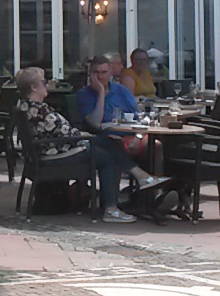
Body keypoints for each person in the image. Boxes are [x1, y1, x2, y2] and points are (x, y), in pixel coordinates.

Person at [20, 64, 158, 222]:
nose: (47, 84)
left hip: (54, 149)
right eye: (44, 82)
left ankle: (137, 180)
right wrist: (84, 135)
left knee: (109, 142)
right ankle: (112, 207)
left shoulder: (26, 106)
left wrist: (83, 135)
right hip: (57, 153)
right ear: (33, 87)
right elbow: (66, 133)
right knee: (107, 158)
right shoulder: (40, 110)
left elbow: (61, 131)